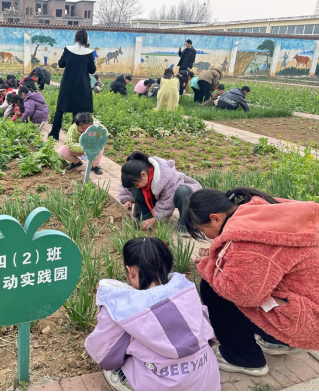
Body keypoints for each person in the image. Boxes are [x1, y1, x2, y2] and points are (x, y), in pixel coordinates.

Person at [185, 188, 319, 377]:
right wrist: (220, 255)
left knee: (214, 288)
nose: (206, 236)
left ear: (215, 218)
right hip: (309, 304)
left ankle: (244, 358)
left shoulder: (247, 241)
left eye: (202, 230)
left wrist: (209, 264)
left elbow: (243, 294)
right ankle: (278, 342)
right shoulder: (257, 211)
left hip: (309, 321)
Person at [85, 237, 221, 392]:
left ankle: (126, 381)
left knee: (118, 359)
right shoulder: (186, 290)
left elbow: (103, 355)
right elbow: (209, 336)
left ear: (131, 271)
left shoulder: (125, 308)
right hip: (206, 381)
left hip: (162, 385)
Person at [118, 152, 202, 234]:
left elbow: (167, 202)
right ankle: (146, 217)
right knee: (137, 189)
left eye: (136, 184)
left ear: (143, 174)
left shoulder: (167, 177)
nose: (135, 186)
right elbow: (127, 186)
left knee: (183, 192)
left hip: (181, 195)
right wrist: (127, 199)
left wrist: (155, 219)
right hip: (161, 195)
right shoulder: (136, 174)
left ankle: (186, 225)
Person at [48, 28, 96, 141]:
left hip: (67, 84)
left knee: (60, 109)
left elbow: (61, 64)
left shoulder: (68, 49)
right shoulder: (89, 53)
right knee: (77, 111)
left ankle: (54, 134)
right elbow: (92, 70)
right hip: (82, 86)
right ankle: (73, 136)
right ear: (86, 39)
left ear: (75, 37)